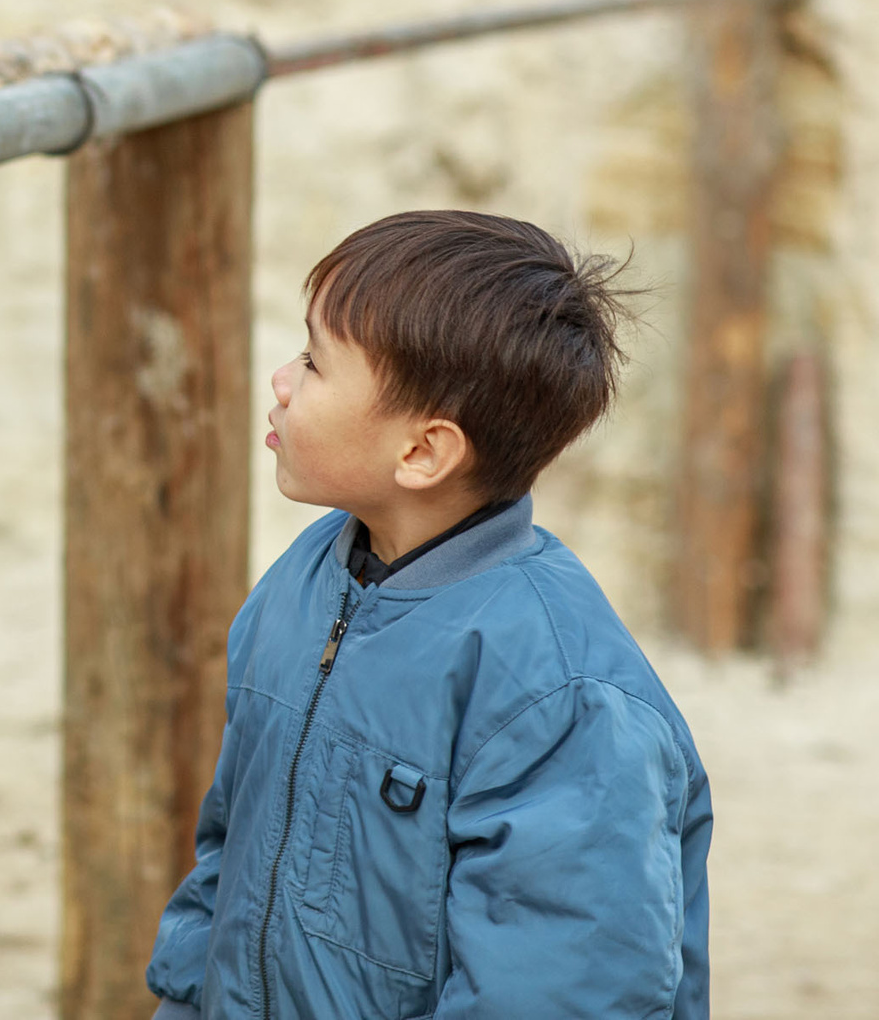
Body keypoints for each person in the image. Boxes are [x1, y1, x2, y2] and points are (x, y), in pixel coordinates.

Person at [146, 210, 711, 1019]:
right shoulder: (304, 577)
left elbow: (557, 990)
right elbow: (228, 861)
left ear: (422, 451)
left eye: (314, 362)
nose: (281, 380)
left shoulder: (559, 696)